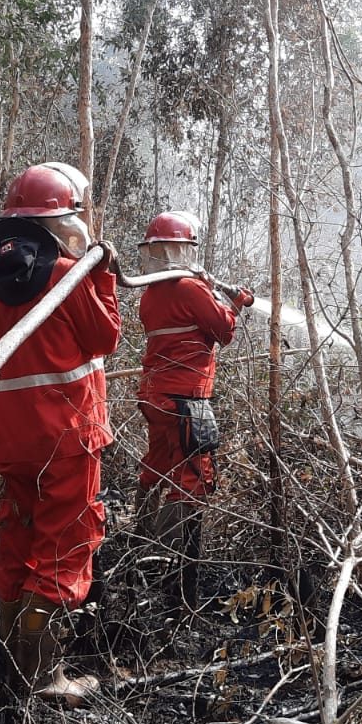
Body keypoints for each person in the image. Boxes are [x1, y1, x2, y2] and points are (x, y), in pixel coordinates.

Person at [0, 162, 120, 705]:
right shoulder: (65, 274)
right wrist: (101, 273)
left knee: (18, 542)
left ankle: (11, 666)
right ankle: (42, 678)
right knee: (65, 548)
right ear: (65, 222)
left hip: (14, 440)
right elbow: (105, 337)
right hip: (68, 438)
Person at [133, 211, 253, 612]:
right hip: (185, 400)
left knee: (157, 465)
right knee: (194, 480)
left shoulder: (151, 293)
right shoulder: (187, 288)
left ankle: (140, 547)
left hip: (156, 396)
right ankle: (176, 582)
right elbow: (224, 330)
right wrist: (235, 301)